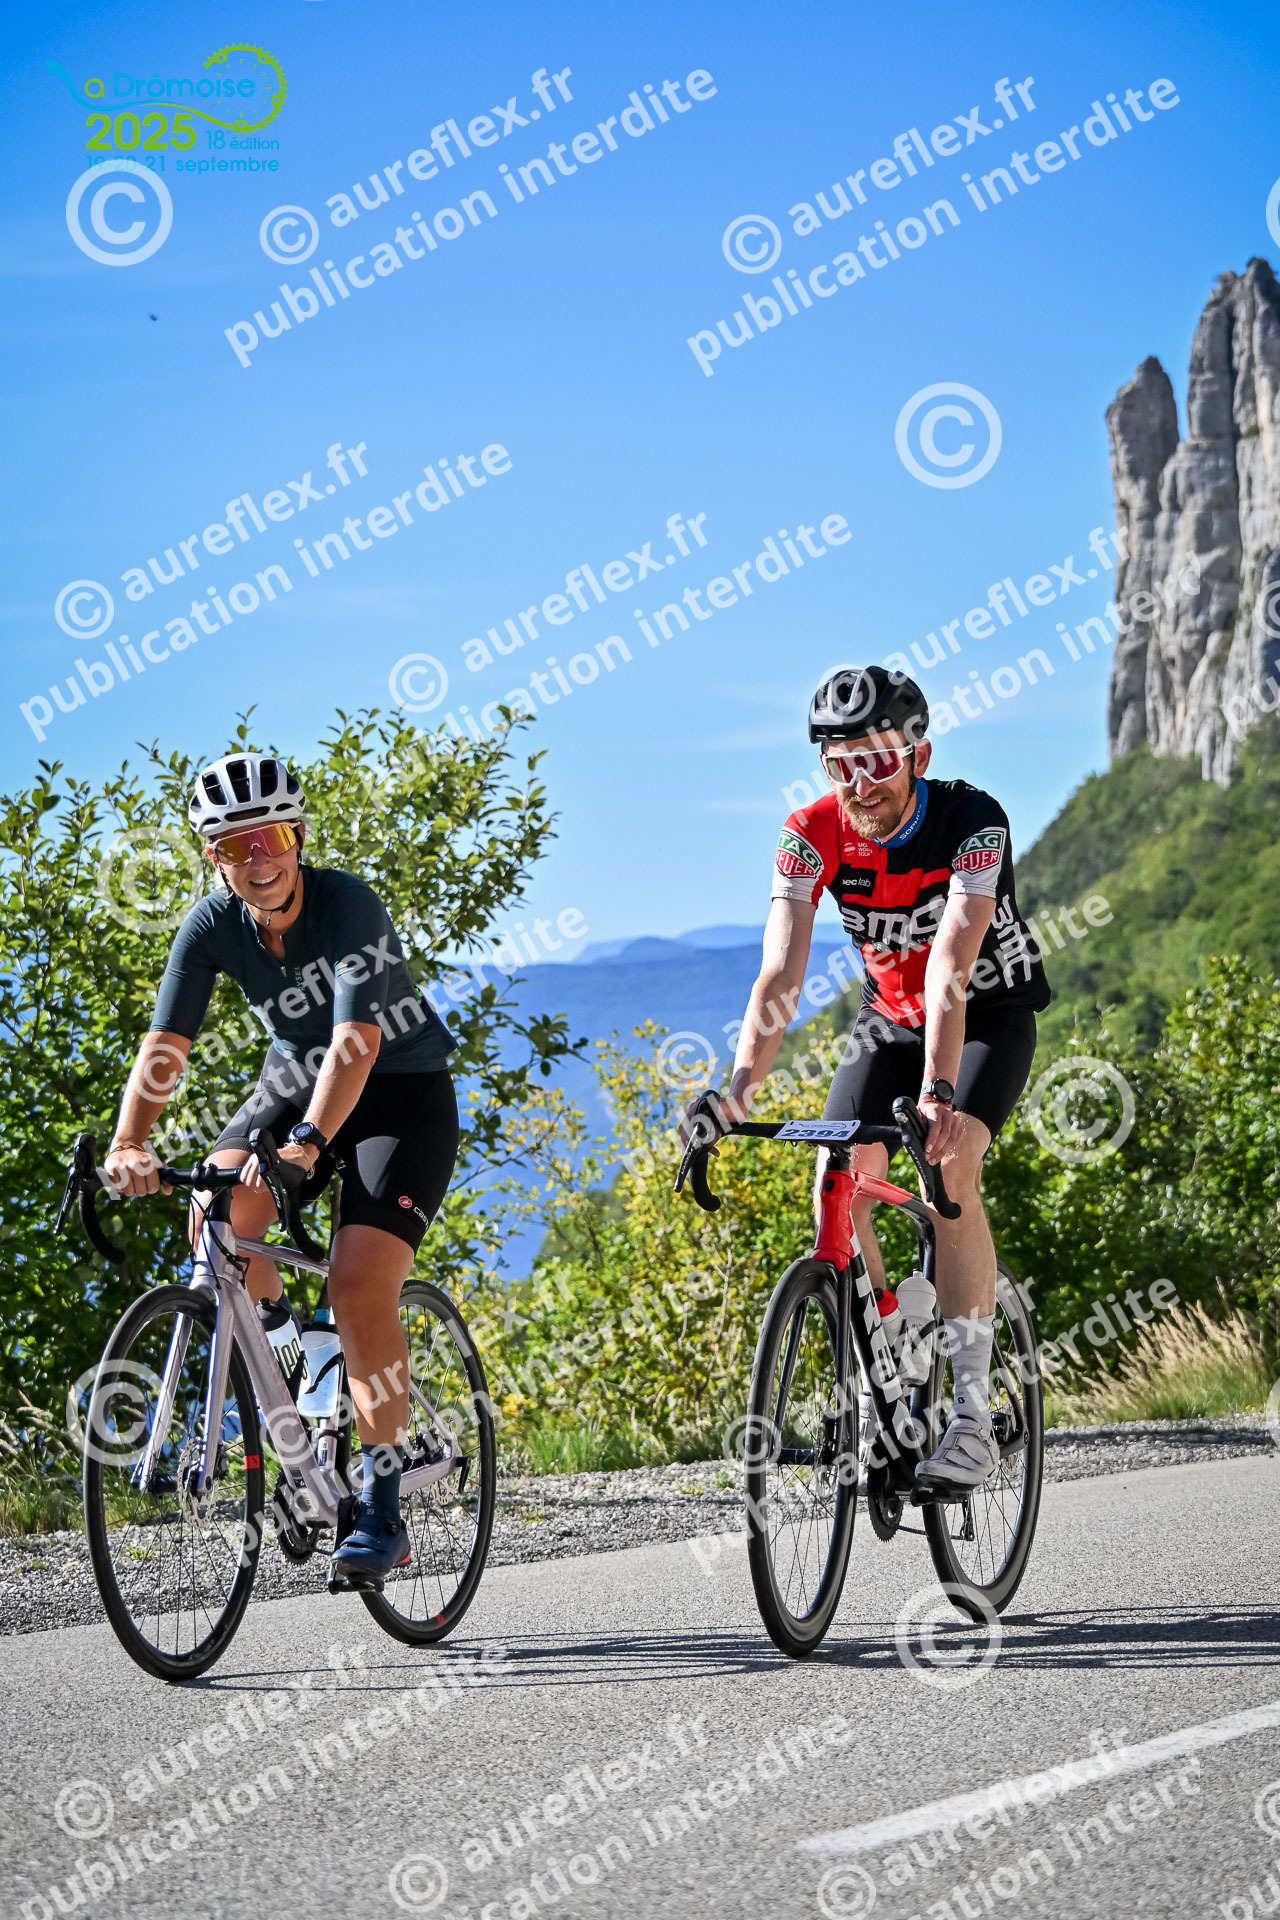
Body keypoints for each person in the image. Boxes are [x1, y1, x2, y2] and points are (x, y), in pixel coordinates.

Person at [690, 665, 1049, 1490]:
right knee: (837, 1175)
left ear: (919, 755)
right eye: (841, 765)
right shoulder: (807, 832)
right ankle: (887, 1345)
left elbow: (951, 965)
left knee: (949, 1170)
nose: (860, 784)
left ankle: (970, 1418)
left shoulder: (973, 821)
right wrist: (738, 1092)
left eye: (879, 762)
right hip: (889, 1020)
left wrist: (939, 1095)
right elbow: (780, 974)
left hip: (986, 1015)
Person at [103, 752, 459, 1579]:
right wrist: (128, 1143)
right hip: (297, 1082)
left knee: (358, 1285)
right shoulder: (210, 925)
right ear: (213, 858)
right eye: (236, 846)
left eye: (271, 838)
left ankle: (381, 1509)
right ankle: (297, 1362)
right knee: (215, 1215)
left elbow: (356, 1042)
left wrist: (304, 1146)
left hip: (399, 1095)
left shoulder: (348, 904)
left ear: (298, 837)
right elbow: (165, 1048)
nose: (258, 859)